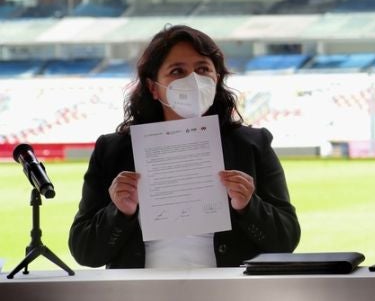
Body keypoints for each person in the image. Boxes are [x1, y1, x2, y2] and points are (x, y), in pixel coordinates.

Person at [69, 25, 300, 268]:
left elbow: (286, 240)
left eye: (203, 69)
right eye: (177, 71)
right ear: (153, 87)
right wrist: (119, 213)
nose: (193, 80)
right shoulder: (112, 151)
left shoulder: (252, 144)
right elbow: (85, 252)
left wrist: (248, 206)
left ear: (216, 79)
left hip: (228, 291)